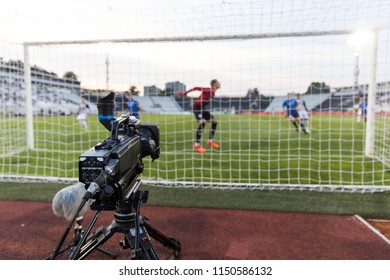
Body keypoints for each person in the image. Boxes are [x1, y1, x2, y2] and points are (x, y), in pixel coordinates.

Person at [178, 79, 221, 153]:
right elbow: (196, 88)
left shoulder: (213, 92)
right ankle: (196, 145)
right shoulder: (209, 90)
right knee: (202, 122)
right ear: (214, 84)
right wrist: (185, 93)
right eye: (218, 83)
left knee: (214, 122)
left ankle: (210, 141)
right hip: (197, 108)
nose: (220, 84)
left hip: (202, 109)